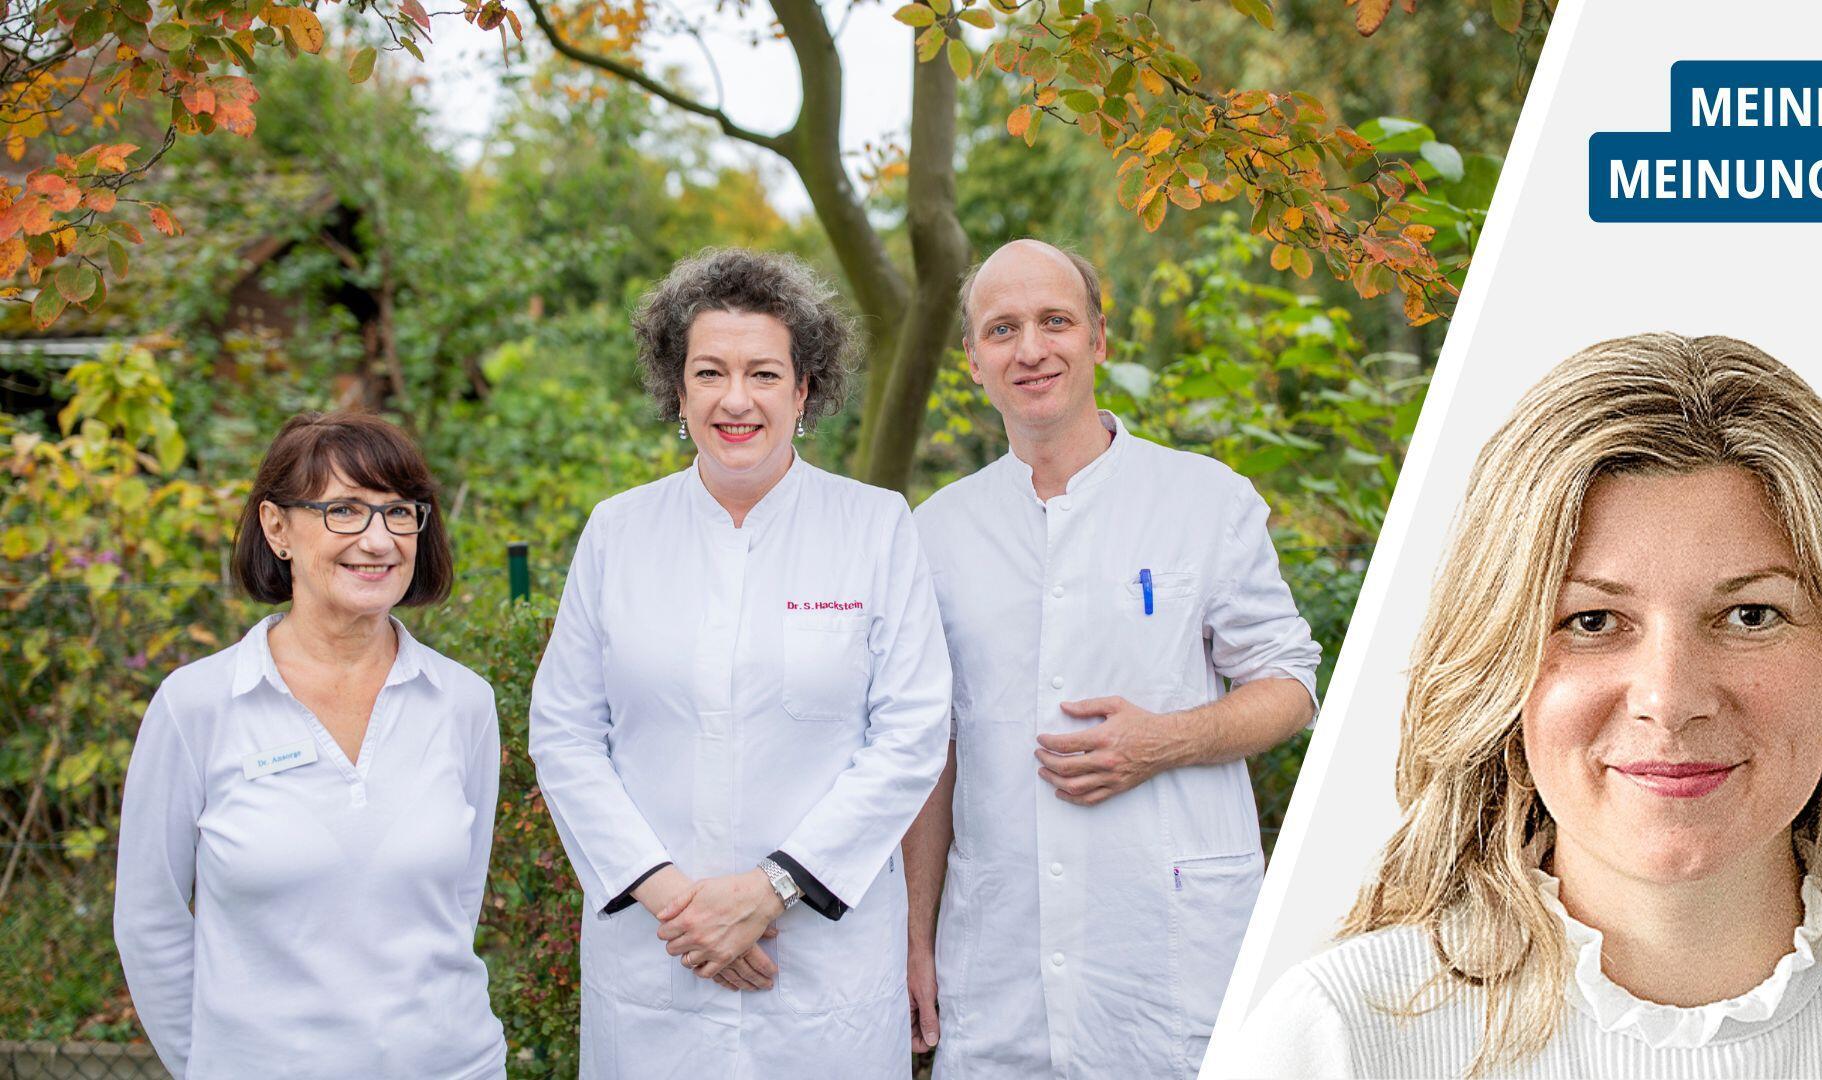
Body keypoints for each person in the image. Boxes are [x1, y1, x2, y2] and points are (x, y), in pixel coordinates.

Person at [1212, 334, 1822, 1078]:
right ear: (1497, 667)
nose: (1670, 701)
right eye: (1591, 622)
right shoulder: (1344, 1039)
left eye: (1750, 614)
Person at [903, 239, 1322, 1078]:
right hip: (999, 959)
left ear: (1099, 337)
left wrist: (1160, 741)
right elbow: (930, 752)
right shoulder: (934, 534)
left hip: (1164, 956)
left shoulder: (1204, 501)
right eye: (1002, 329)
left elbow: (1291, 688)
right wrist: (914, 939)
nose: (1030, 348)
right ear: (973, 362)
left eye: (1055, 321)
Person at [528, 247, 951, 1078]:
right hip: (658, 959)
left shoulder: (875, 527)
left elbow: (910, 735)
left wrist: (769, 892)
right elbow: (566, 732)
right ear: (676, 391)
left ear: (804, 391)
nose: (735, 399)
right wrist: (679, 906)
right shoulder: (619, 532)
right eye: (709, 372)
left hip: (821, 968)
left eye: (764, 373)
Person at [113, 411, 506, 1079]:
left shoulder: (463, 702)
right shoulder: (198, 707)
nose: (379, 541)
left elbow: (454, 905)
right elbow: (148, 922)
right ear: (276, 527)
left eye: (400, 513)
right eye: (345, 511)